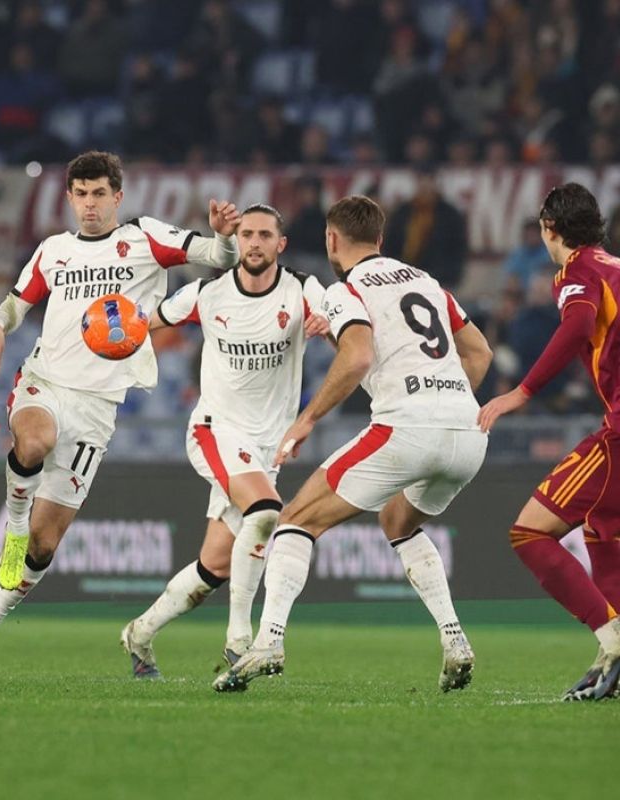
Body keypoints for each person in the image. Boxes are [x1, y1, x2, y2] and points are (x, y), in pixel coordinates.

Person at [0, 150, 241, 677]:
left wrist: (223, 235)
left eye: (99, 194)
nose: (89, 205)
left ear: (118, 196)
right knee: (34, 442)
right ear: (69, 198)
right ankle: (13, 528)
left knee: (45, 548)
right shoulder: (53, 251)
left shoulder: (144, 239)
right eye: (80, 195)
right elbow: (18, 302)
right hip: (46, 381)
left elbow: (219, 258)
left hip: (98, 407)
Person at [215, 195, 494, 694]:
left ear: (331, 240)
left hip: (406, 428)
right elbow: (480, 351)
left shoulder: (346, 289)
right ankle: (454, 639)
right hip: (468, 434)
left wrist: (306, 420)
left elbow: (360, 356)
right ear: (382, 240)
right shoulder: (425, 281)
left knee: (296, 519)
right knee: (398, 520)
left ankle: (269, 642)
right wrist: (444, 400)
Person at [121, 204, 329, 678]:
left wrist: (327, 323)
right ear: (237, 240)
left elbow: (342, 320)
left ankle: (140, 631)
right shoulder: (207, 293)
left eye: (264, 235)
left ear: (281, 244)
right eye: (246, 234)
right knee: (266, 511)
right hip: (215, 430)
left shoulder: (303, 290)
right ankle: (240, 642)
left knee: (214, 566)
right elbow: (141, 323)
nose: (254, 242)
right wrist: (108, 332)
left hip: (265, 447)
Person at [478, 183, 620, 701]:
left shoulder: (577, 271)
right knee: (605, 536)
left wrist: (523, 391)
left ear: (549, 229)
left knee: (529, 532)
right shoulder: (615, 266)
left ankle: (613, 640)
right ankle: (613, 658)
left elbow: (578, 323)